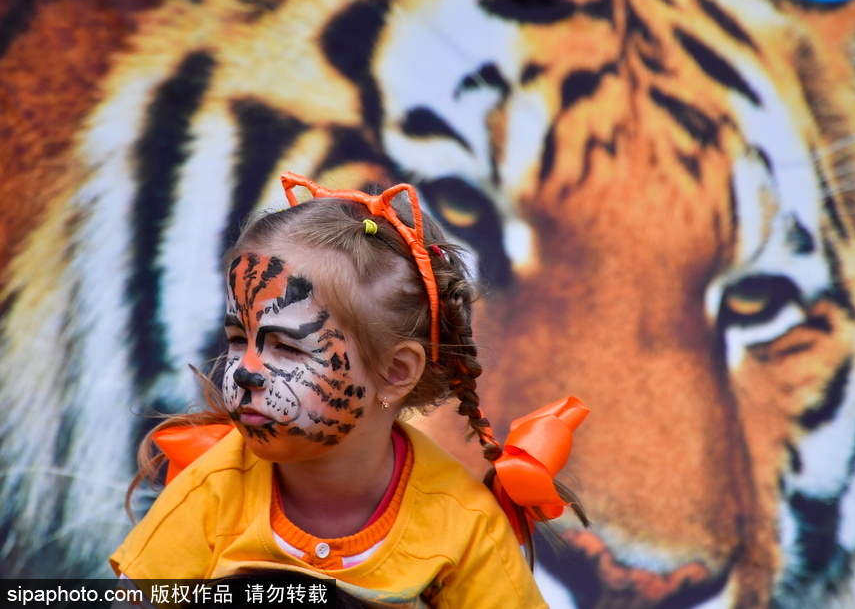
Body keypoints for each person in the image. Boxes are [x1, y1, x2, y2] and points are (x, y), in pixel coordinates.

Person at [111, 173, 589, 608]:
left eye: (288, 349)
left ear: (395, 371)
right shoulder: (213, 488)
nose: (244, 372)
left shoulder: (463, 524)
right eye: (239, 340)